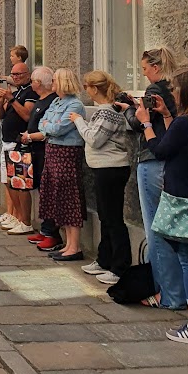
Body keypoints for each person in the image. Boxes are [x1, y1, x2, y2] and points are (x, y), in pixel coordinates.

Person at [126, 47, 185, 310]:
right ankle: (180, 292)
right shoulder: (174, 91)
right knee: (175, 231)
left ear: (156, 67)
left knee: (157, 230)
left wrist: (132, 111)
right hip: (172, 165)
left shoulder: (156, 91)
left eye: (145, 69)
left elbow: (139, 124)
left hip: (153, 160)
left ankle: (169, 295)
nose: (145, 74)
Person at [135, 65, 188, 343]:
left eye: (177, 91)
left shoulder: (185, 122)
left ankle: (182, 310)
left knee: (186, 257)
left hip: (182, 196)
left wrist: (146, 123)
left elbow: (161, 149)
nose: (174, 95)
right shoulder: (180, 122)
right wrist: (167, 115)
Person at [70, 71, 132, 285]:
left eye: (87, 87)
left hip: (111, 169)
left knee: (113, 218)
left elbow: (94, 139)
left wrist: (79, 121)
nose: (85, 91)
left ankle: (119, 267)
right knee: (105, 216)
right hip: (103, 168)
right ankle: (104, 259)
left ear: (95, 89)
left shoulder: (107, 113)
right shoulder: (103, 111)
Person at [37, 68, 86, 262]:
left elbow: (57, 128)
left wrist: (50, 126)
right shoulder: (57, 102)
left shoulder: (75, 104)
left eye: (55, 80)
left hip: (66, 153)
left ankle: (75, 246)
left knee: (69, 199)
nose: (52, 83)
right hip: (53, 152)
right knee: (57, 198)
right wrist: (50, 126)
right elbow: (42, 123)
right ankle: (67, 244)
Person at [0, 62, 38, 233]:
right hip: (6, 141)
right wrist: (0, 102)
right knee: (9, 182)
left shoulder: (29, 92)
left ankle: (24, 220)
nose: (15, 78)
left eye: (19, 74)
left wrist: (11, 99)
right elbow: (1, 115)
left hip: (18, 143)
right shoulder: (18, 91)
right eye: (13, 75)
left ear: (28, 74)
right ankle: (17, 216)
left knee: (20, 183)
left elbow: (27, 115)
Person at [20, 67, 60, 249]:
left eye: (34, 80)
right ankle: (45, 229)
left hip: (45, 151)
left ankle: (51, 231)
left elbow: (47, 128)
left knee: (47, 191)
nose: (32, 83)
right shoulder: (40, 100)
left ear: (39, 83)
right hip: (34, 149)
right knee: (41, 191)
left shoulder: (51, 101)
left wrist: (31, 135)